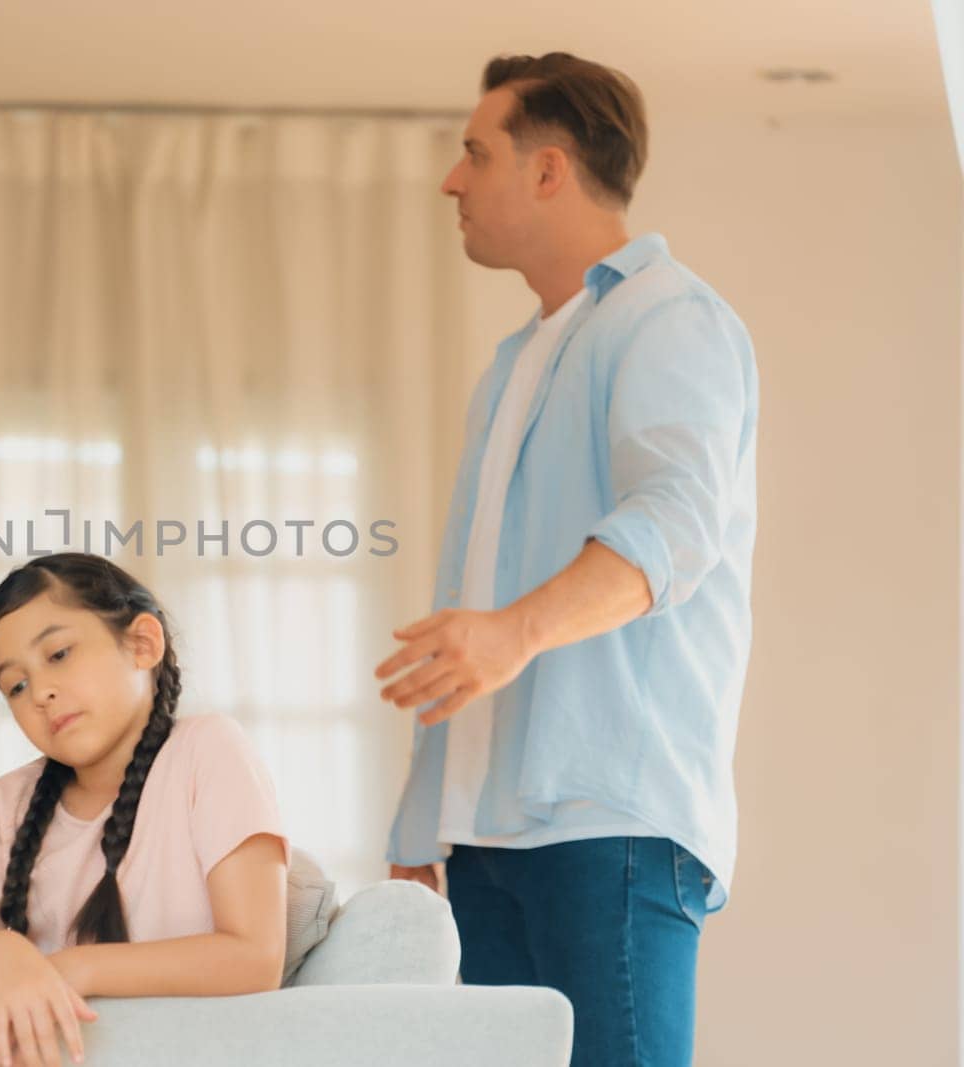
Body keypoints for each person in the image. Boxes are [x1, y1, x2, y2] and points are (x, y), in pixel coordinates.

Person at [375, 54, 758, 1066]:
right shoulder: (517, 361)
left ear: (548, 170)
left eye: (473, 152)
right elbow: (479, 613)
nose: (451, 181)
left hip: (608, 822)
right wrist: (426, 817)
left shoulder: (667, 318)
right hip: (488, 840)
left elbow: (677, 519)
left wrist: (512, 632)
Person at [0, 552, 289, 1067]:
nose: (40, 691)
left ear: (142, 643)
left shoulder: (207, 749)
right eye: (15, 686)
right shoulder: (6, 802)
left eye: (59, 654)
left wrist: (70, 969)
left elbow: (255, 958)